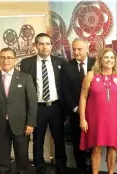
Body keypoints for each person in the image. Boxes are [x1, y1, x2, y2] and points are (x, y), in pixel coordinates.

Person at [0, 48, 37, 174]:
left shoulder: (25, 78)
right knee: (2, 158)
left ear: (15, 60)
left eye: (9, 57)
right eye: (2, 57)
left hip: (22, 126)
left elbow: (32, 103)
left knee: (22, 157)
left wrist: (31, 123)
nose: (5, 60)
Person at [20, 33, 67, 174]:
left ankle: (61, 165)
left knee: (59, 138)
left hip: (56, 107)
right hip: (37, 108)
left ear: (51, 46)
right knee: (38, 139)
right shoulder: (26, 63)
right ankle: (39, 166)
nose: (44, 46)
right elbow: (23, 88)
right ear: (36, 45)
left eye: (47, 43)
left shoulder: (60, 62)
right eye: (41, 43)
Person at [79, 48, 117, 174]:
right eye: (106, 57)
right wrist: (82, 119)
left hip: (114, 119)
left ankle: (111, 172)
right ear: (100, 59)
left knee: (112, 147)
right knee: (96, 148)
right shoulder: (91, 75)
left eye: (112, 57)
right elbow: (83, 98)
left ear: (115, 60)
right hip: (95, 119)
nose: (109, 60)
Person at [62, 38, 95, 174]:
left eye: (79, 49)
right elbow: (65, 91)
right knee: (78, 141)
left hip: (95, 112)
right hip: (75, 112)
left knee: (94, 142)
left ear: (87, 48)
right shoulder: (67, 67)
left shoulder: (96, 64)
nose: (76, 52)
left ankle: (94, 168)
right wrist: (76, 109)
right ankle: (81, 168)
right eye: (74, 49)